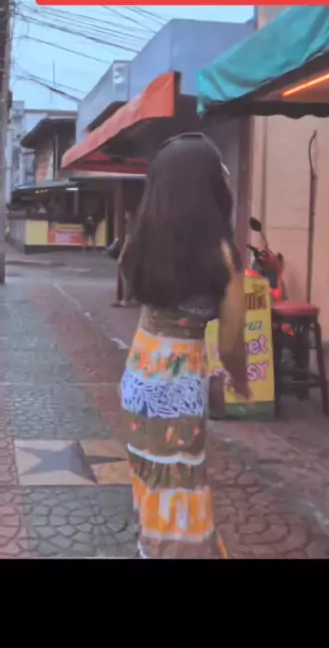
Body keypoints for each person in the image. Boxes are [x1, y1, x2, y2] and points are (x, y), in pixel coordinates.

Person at [120, 133, 249, 559]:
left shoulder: (141, 242)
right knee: (179, 481)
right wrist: (242, 381)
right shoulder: (223, 255)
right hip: (179, 381)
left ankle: (149, 546)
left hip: (141, 373)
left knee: (150, 475)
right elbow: (231, 344)